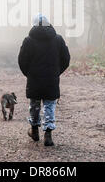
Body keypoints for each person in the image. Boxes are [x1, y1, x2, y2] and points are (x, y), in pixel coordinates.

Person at [18, 13, 70, 146]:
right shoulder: (58, 39)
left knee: (34, 106)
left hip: (34, 79)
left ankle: (34, 131)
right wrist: (56, 73)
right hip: (51, 80)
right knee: (49, 106)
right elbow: (66, 59)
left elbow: (22, 61)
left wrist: (29, 74)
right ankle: (48, 135)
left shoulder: (28, 40)